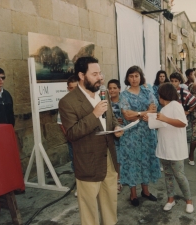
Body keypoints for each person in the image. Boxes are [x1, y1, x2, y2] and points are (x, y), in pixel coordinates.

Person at [58, 56, 123, 225]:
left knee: (110, 203)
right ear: (81, 75)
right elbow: (71, 133)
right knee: (89, 210)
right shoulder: (67, 102)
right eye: (94, 74)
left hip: (108, 158)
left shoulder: (104, 94)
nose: (100, 77)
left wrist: (116, 128)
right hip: (87, 162)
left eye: (100, 73)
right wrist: (94, 114)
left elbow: (112, 118)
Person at [145, 82, 194, 213]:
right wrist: (149, 119)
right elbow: (160, 124)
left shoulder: (176, 105)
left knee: (179, 175)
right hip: (165, 148)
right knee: (168, 176)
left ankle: (189, 200)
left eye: (159, 94)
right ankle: (170, 199)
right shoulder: (163, 109)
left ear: (163, 95)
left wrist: (165, 119)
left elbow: (183, 123)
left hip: (176, 149)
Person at [119, 65, 161, 207]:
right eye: (131, 76)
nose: (134, 79)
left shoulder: (147, 91)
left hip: (147, 134)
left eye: (136, 76)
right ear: (127, 78)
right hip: (131, 135)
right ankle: (133, 194)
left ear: (140, 77)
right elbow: (127, 115)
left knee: (146, 160)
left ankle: (146, 191)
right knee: (132, 162)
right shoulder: (124, 95)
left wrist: (143, 113)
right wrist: (143, 113)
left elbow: (154, 109)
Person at [57, 75, 78, 196]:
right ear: (68, 88)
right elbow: (61, 123)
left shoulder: (85, 100)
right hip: (72, 139)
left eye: (76, 87)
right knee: (75, 162)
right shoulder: (64, 102)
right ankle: (79, 186)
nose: (73, 90)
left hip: (85, 138)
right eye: (71, 88)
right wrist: (70, 137)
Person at [170, 72, 196, 146]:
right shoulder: (168, 92)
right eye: (172, 81)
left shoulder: (184, 92)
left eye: (176, 81)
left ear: (179, 82)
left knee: (180, 141)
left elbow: (195, 102)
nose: (173, 83)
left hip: (181, 120)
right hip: (170, 119)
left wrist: (188, 111)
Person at [107, 79, 124, 194]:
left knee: (120, 158)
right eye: (110, 88)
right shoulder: (105, 102)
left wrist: (123, 120)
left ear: (119, 89)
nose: (112, 90)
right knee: (113, 159)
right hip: (109, 134)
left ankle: (119, 180)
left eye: (114, 88)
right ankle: (113, 180)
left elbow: (129, 115)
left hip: (122, 134)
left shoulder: (123, 102)